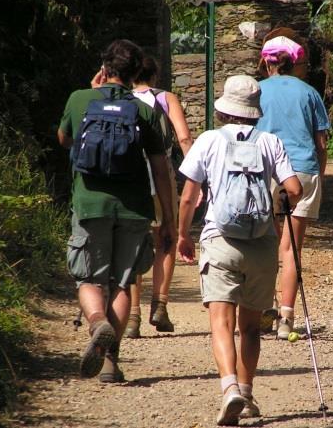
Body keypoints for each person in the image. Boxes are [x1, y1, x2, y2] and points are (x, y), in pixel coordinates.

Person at [177, 75, 302, 425]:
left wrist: (183, 235)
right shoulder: (270, 142)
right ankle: (246, 396)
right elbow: (294, 188)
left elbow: (189, 196)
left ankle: (229, 387)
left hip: (220, 240)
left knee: (221, 321)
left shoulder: (209, 140)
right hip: (261, 244)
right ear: (255, 111)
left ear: (224, 109)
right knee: (249, 327)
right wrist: (278, 208)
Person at [58, 39, 176, 382]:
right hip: (134, 209)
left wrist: (91, 93)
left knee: (89, 278)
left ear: (105, 67)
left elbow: (63, 139)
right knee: (122, 282)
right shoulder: (144, 110)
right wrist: (168, 219)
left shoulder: (79, 99)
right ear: (137, 72)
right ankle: (110, 362)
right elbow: (160, 168)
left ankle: (98, 322)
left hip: (89, 204)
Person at [256, 36, 330, 339]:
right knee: (291, 249)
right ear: (295, 62)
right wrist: (319, 177)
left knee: (264, 244)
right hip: (302, 172)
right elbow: (321, 143)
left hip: (265, 171)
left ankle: (263, 307)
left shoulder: (256, 90)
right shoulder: (310, 93)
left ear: (266, 61)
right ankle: (286, 317)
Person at [125, 55, 194, 338]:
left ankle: (131, 317)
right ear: (155, 76)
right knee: (165, 239)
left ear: (131, 77)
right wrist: (196, 176)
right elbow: (184, 138)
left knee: (132, 244)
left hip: (131, 178)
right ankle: (159, 306)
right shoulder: (166, 98)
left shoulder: (122, 100)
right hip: (161, 173)